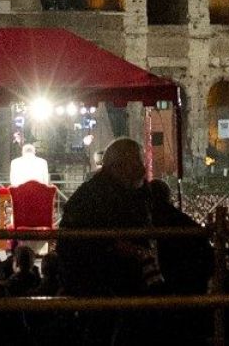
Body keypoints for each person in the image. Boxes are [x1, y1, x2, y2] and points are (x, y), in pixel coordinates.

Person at [59, 137, 158, 345]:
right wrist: (116, 247)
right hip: (101, 284)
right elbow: (80, 243)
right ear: (119, 166)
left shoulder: (134, 191)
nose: (143, 168)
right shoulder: (92, 197)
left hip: (120, 283)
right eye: (138, 162)